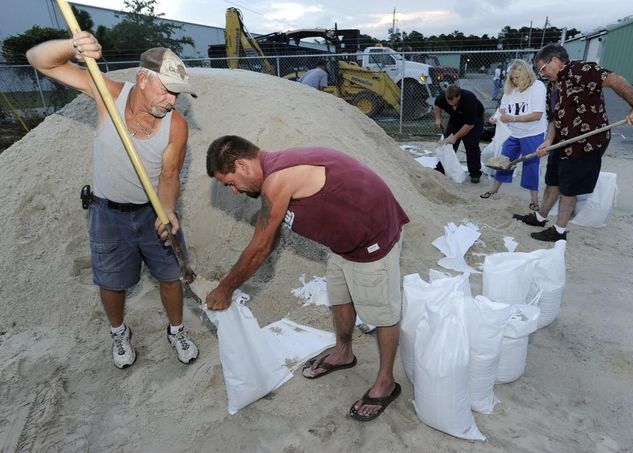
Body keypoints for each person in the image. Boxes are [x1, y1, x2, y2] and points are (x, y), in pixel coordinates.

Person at [205, 136, 409, 422]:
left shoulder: (278, 180)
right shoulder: (273, 173)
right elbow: (270, 238)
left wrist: (225, 288)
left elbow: (260, 247)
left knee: (383, 313)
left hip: (374, 236)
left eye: (230, 183)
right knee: (340, 296)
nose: (234, 191)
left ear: (241, 164)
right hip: (344, 243)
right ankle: (343, 353)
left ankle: (386, 382)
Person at [26, 32, 199, 368]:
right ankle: (118, 333)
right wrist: (71, 47)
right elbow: (39, 59)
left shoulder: (176, 125)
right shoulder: (109, 96)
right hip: (108, 213)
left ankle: (176, 330)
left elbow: (169, 175)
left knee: (170, 275)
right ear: (142, 79)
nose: (171, 101)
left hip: (151, 212)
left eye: (176, 93)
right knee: (111, 282)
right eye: (166, 89)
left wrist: (167, 209)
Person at [512, 43, 633, 241]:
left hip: (585, 142)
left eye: (542, 69)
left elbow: (615, 80)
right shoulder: (552, 87)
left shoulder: (581, 70)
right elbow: (553, 118)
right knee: (553, 181)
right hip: (561, 140)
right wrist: (548, 140)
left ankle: (559, 231)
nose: (542, 74)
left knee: (569, 188)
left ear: (555, 61)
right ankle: (540, 217)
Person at [481, 59, 547, 211]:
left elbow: (537, 115)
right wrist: (496, 117)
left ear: (526, 75)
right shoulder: (510, 89)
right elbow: (503, 109)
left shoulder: (537, 87)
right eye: (512, 78)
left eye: (518, 77)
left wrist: (513, 118)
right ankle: (494, 189)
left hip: (533, 133)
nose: (515, 81)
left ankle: (534, 200)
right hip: (514, 132)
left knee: (532, 165)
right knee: (504, 160)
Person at [434, 84, 485, 183]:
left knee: (471, 144)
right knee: (447, 143)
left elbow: (469, 125)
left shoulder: (470, 99)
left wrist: (456, 137)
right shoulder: (443, 97)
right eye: (449, 103)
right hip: (456, 119)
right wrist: (438, 118)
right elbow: (437, 104)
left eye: (454, 103)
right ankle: (442, 168)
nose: (452, 105)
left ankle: (475, 172)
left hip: (474, 121)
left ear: (459, 96)